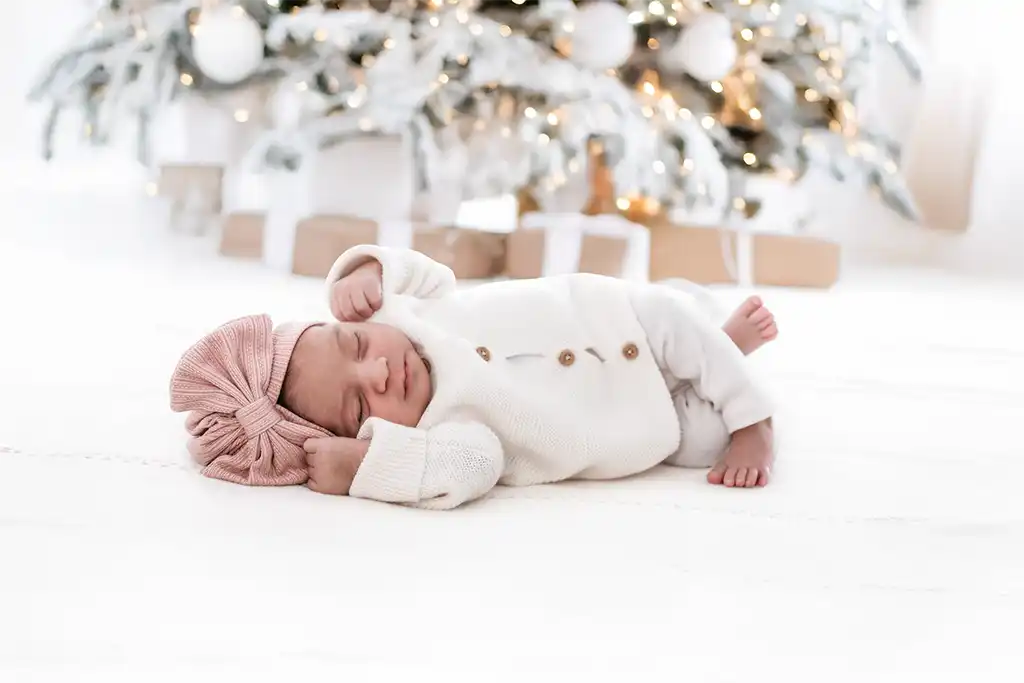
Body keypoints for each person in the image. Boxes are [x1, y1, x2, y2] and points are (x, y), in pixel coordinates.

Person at [169, 245, 778, 510]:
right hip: (637, 421)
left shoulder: (405, 311)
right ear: (370, 437)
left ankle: (753, 412)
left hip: (611, 316)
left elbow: (420, 270)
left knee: (672, 315)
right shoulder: (449, 432)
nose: (378, 370)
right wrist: (367, 468)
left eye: (354, 343)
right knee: (698, 442)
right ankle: (721, 351)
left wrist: (360, 269)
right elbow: (469, 472)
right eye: (360, 408)